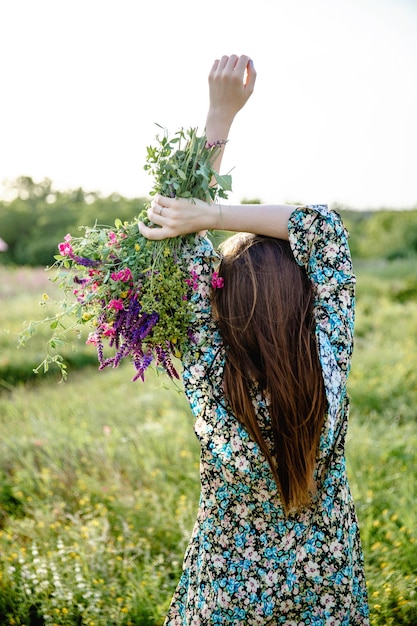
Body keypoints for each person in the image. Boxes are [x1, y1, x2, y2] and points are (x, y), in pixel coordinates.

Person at [139, 55, 370, 625]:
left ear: (222, 305)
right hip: (329, 593)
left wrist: (218, 118)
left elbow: (172, 236)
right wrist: (216, 214)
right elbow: (323, 228)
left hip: (224, 599)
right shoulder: (328, 363)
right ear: (309, 303)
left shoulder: (210, 373)